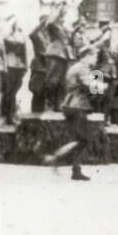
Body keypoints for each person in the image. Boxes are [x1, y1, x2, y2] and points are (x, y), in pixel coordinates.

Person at [42, 44, 99, 182]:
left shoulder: (74, 67)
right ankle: (56, 158)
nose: (96, 59)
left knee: (80, 139)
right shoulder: (83, 68)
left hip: (70, 105)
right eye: (94, 55)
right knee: (83, 140)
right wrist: (101, 86)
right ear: (87, 56)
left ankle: (75, 170)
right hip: (77, 106)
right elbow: (90, 86)